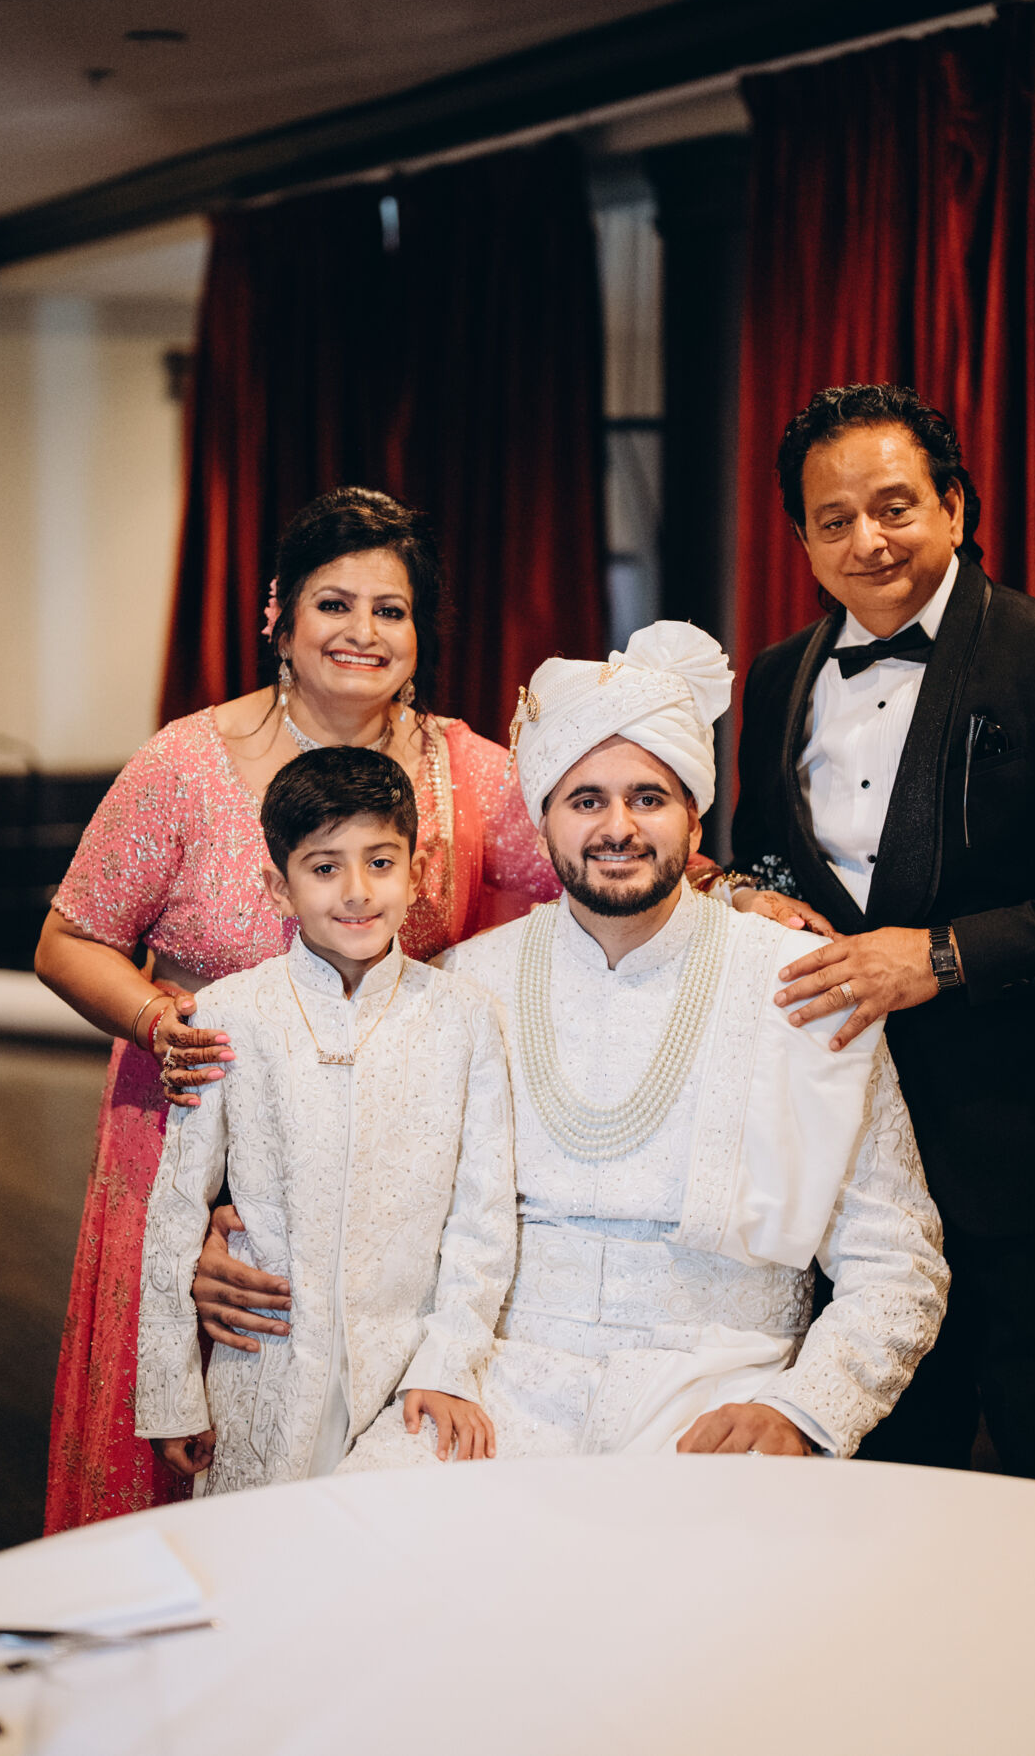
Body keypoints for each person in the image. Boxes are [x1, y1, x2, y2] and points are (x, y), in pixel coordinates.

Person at [37, 487, 557, 1531]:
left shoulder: (463, 772)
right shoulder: (187, 764)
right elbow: (68, 938)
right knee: (201, 1471)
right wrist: (161, 1024)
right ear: (278, 612)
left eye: (390, 609)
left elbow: (588, 864)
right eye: (334, 603)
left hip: (379, 1185)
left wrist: (737, 893)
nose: (363, 632)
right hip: (197, 1136)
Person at [330, 621, 947, 1469]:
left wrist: (801, 1410)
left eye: (648, 799)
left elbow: (897, 1259)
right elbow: (382, 1213)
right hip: (489, 1384)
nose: (617, 828)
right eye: (586, 801)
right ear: (543, 824)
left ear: (695, 820)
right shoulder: (466, 982)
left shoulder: (800, 982)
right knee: (367, 1530)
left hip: (721, 1390)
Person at [728, 383, 1035, 1488]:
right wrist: (745, 895)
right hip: (846, 1158)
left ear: (955, 505)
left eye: (894, 507)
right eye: (834, 520)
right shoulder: (779, 674)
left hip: (1031, 1154)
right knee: (881, 1474)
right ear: (800, 539)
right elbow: (764, 856)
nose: (868, 541)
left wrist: (938, 955)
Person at [135, 748, 515, 1490]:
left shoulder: (464, 1017)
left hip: (403, 1374)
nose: (357, 892)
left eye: (381, 862)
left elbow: (485, 1212)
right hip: (262, 1369)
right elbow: (177, 1209)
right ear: (279, 887)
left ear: (417, 872)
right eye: (324, 867)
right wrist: (172, 1391)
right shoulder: (229, 1013)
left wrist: (448, 1364)